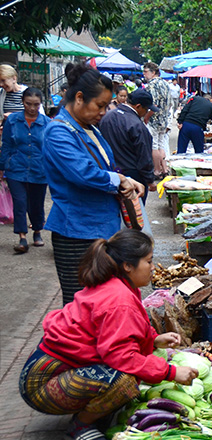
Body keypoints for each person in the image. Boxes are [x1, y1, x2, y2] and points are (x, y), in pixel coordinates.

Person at [19, 229, 199, 440]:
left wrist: (153, 339)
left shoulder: (119, 285)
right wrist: (171, 372)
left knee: (126, 375)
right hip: (41, 385)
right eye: (149, 261)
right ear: (127, 266)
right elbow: (121, 357)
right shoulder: (119, 298)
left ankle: (93, 412)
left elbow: (116, 334)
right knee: (125, 381)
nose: (153, 267)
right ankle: (79, 427)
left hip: (51, 371)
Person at [43, 63, 145, 304]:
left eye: (106, 106)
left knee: (101, 300)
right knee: (79, 304)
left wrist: (128, 180)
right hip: (77, 231)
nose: (103, 112)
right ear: (79, 98)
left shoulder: (88, 128)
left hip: (100, 227)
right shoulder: (58, 132)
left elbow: (106, 167)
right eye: (99, 105)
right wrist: (119, 180)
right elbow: (83, 173)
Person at [0, 87, 49, 253]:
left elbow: (50, 148)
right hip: (16, 168)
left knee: (36, 204)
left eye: (36, 104)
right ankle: (22, 237)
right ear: (23, 102)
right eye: (28, 104)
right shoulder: (12, 121)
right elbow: (6, 145)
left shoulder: (47, 123)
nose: (32, 108)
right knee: (20, 203)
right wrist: (1, 167)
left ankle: (37, 231)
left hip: (39, 169)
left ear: (40, 104)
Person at [99, 89, 157, 204]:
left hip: (111, 171)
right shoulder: (137, 126)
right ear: (138, 106)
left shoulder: (108, 116)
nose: (146, 113)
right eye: (146, 109)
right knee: (135, 212)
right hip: (133, 173)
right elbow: (144, 156)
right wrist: (150, 179)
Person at [142, 62, 174, 178]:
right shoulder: (165, 84)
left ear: (153, 72)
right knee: (161, 145)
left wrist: (147, 116)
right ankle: (164, 169)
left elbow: (153, 104)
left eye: (146, 72)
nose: (144, 74)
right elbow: (170, 104)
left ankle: (156, 171)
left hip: (154, 120)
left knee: (154, 146)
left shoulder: (152, 85)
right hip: (164, 119)